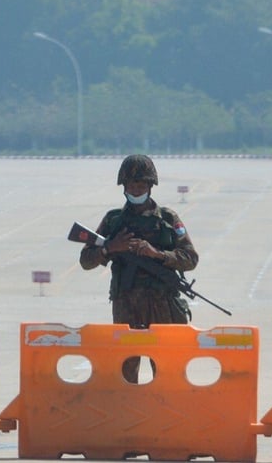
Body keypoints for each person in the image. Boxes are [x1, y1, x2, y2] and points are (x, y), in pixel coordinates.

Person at [79, 154, 199, 382]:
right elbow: (86, 260)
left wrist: (158, 254)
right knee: (125, 368)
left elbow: (190, 258)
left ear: (150, 186)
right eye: (132, 184)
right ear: (123, 186)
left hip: (162, 303)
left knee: (166, 370)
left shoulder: (167, 218)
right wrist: (110, 248)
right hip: (126, 305)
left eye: (141, 184)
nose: (136, 190)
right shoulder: (114, 221)